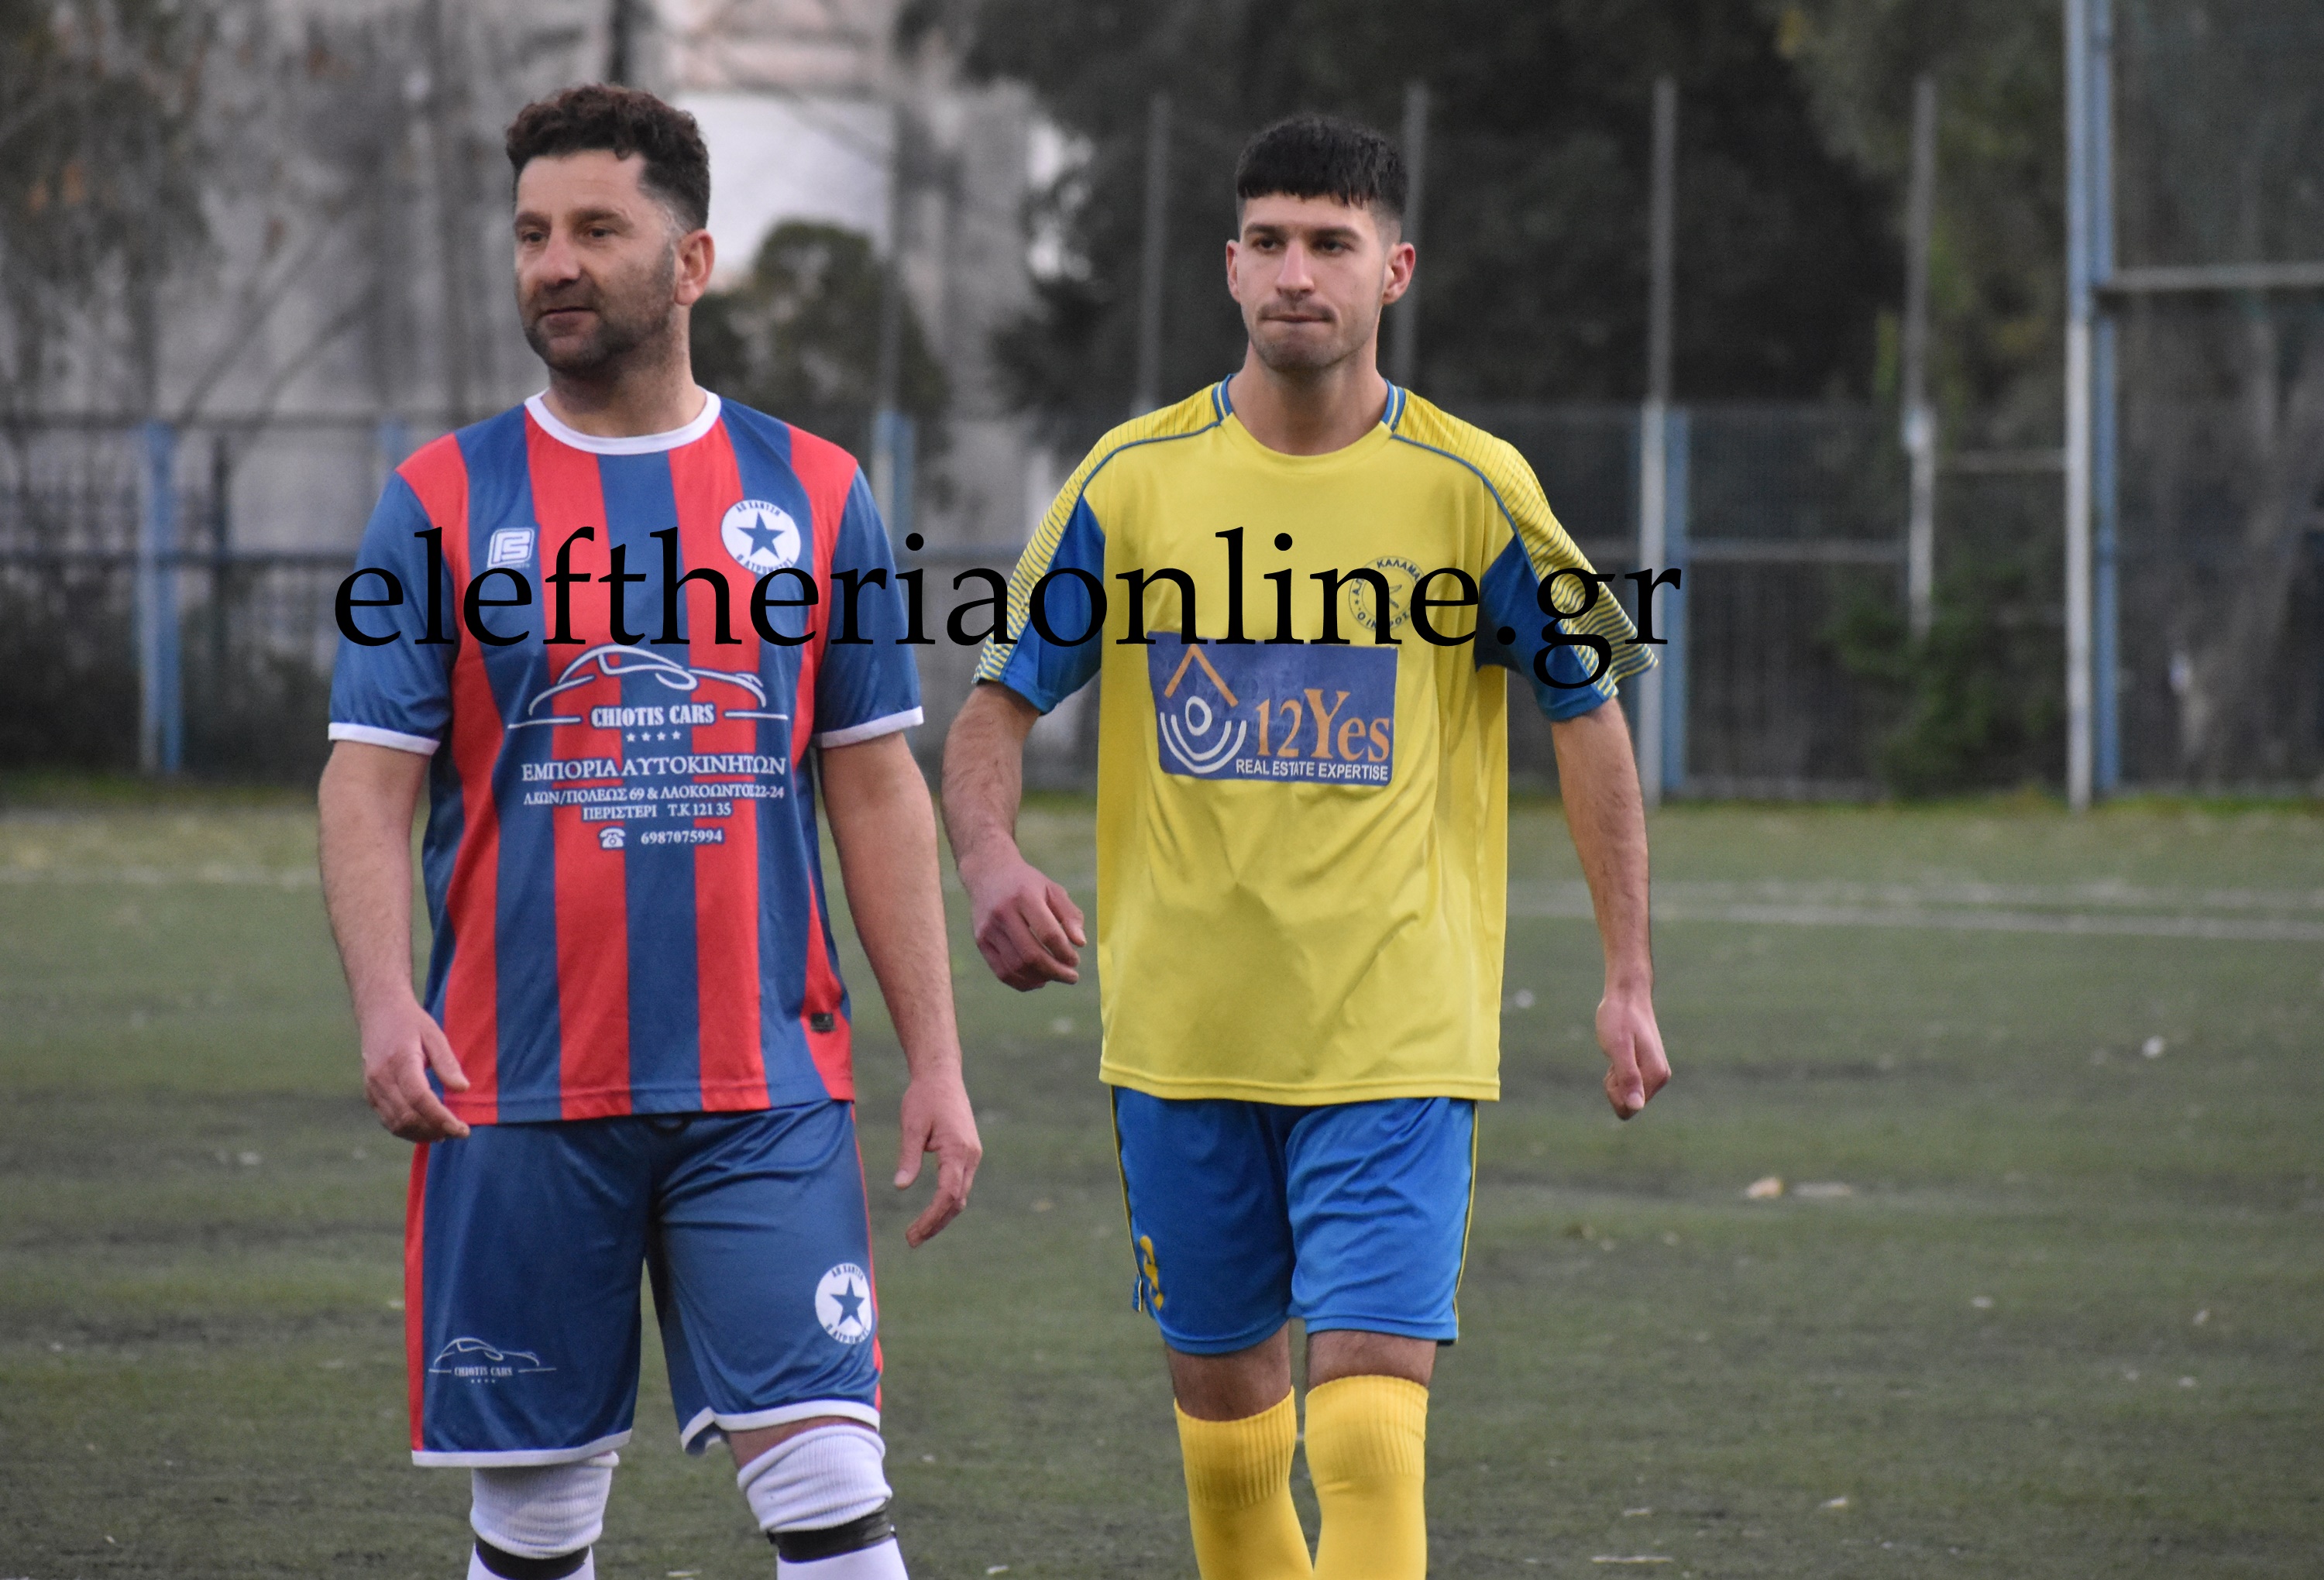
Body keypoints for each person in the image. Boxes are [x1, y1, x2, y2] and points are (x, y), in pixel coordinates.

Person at [940, 113, 1671, 1579]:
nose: (1296, 273)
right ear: (1229, 267)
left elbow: (1589, 714)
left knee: (1367, 1428)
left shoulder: (1473, 486)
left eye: (1331, 244)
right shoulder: (1131, 481)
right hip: (1183, 1038)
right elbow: (993, 707)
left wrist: (1627, 976)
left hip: (1395, 1031)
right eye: (1269, 242)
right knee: (1230, 1452)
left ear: (1393, 270)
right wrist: (990, 862)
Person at [318, 84, 978, 1580]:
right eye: (531, 233)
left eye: (597, 230)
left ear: (691, 264)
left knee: (832, 1484)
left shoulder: (815, 492)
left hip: (765, 1086)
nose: (554, 262)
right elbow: (367, 781)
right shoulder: (438, 502)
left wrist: (935, 1059)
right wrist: (383, 1002)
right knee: (536, 1519)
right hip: (510, 1089)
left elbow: (875, 785)